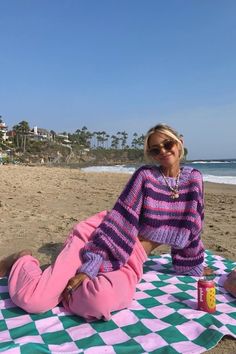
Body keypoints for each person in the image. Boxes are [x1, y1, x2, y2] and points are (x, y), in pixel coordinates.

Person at [0, 123, 206, 321]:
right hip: (101, 238)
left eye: (167, 144)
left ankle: (62, 291)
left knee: (100, 302)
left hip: (132, 256)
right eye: (155, 150)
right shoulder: (145, 177)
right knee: (35, 301)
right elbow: (119, 220)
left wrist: (192, 263)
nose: (163, 151)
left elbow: (193, 227)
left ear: (179, 143)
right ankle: (21, 260)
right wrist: (91, 266)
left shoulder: (194, 179)